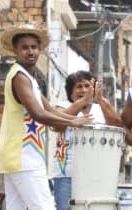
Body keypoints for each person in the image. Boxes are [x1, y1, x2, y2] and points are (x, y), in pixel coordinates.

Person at [0, 23, 92, 210]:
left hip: (18, 156)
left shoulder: (29, 79)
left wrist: (82, 103)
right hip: (23, 157)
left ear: (40, 50)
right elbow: (39, 114)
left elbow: (52, 112)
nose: (30, 51)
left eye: (34, 47)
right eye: (24, 47)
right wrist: (74, 121)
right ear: (15, 50)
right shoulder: (20, 77)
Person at [51, 71, 122, 210]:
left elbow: (118, 125)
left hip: (97, 174)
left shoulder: (100, 108)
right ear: (70, 92)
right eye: (79, 87)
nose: (84, 90)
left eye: (87, 86)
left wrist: (100, 98)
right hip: (67, 176)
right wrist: (83, 101)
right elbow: (57, 124)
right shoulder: (63, 106)